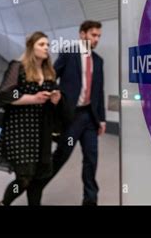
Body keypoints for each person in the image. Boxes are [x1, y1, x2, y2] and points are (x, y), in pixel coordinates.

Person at [0, 31, 64, 206]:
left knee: (37, 178)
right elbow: (6, 96)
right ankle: (4, 203)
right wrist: (33, 98)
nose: (46, 48)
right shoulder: (17, 67)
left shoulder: (48, 71)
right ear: (31, 47)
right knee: (24, 178)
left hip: (41, 130)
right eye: (41, 45)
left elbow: (54, 96)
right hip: (19, 128)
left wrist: (55, 98)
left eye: (48, 45)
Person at [34, 20, 106, 205]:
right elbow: (52, 76)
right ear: (82, 34)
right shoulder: (69, 54)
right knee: (61, 156)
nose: (96, 39)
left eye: (99, 36)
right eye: (93, 35)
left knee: (92, 159)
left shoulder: (98, 61)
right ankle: (36, 186)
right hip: (71, 117)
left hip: (90, 118)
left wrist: (102, 119)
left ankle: (90, 200)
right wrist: (52, 93)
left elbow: (99, 91)